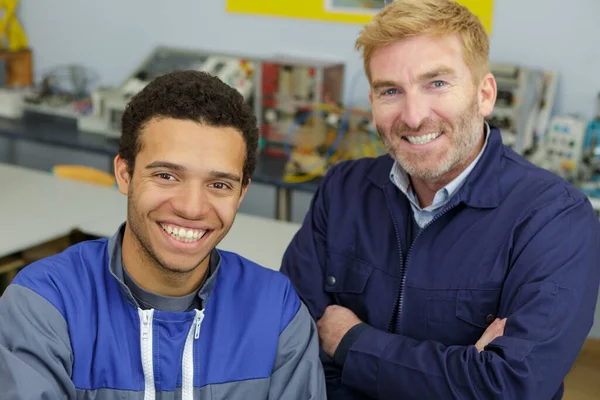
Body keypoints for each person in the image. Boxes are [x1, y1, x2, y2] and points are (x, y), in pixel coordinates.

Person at [280, 0, 600, 399]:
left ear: (484, 94)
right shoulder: (343, 189)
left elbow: (512, 386)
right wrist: (463, 371)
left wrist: (350, 341)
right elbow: (290, 348)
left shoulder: (554, 218)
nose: (413, 117)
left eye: (437, 83)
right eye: (391, 90)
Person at [0, 70, 326, 399]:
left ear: (241, 194)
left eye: (219, 185)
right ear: (124, 174)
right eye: (167, 175)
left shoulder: (276, 311)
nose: (192, 208)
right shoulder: (45, 304)